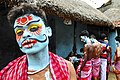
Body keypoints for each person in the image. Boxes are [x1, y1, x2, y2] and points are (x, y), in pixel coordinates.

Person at [0, 3, 77, 80]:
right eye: (19, 32)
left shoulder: (67, 68)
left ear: (48, 31)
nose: (25, 35)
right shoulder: (7, 74)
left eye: (33, 28)